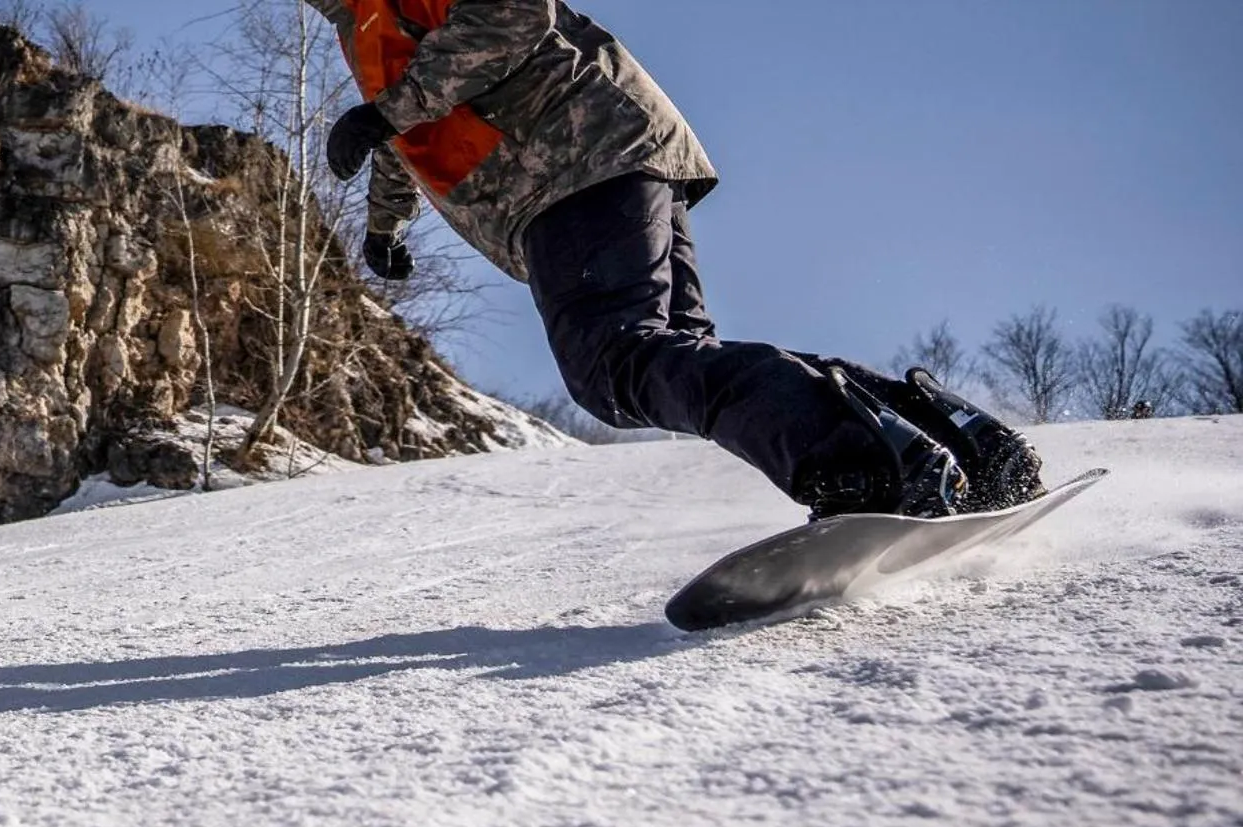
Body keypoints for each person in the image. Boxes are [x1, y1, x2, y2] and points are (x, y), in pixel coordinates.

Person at [306, 0, 1045, 520]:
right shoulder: (363, 21)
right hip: (596, 160)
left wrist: (383, 114)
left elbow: (514, 14)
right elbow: (415, 116)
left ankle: (873, 467)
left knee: (616, 364)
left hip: (575, 157)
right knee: (669, 359)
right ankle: (960, 448)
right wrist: (386, 226)